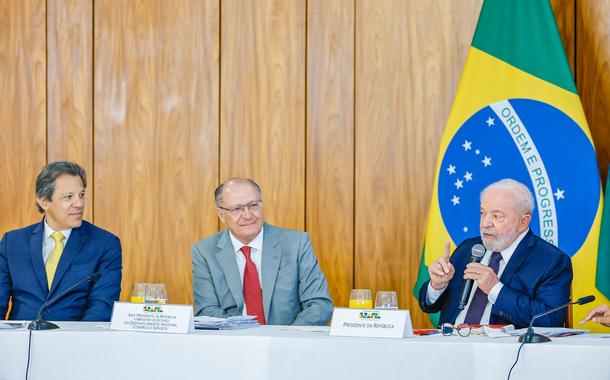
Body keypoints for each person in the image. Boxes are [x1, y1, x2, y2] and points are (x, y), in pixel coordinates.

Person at [418, 178, 573, 328]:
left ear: (523, 222)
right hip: (451, 345)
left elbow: (549, 320)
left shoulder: (552, 261)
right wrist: (438, 285)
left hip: (508, 351)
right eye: (482, 213)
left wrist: (495, 289)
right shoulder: (469, 248)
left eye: (496, 216)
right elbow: (430, 306)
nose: (485, 223)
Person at [192, 178, 333, 325]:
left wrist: (285, 340)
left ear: (261, 205)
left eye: (253, 205)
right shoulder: (204, 252)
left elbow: (319, 305)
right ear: (221, 214)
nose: (247, 215)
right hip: (233, 343)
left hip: (288, 342)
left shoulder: (296, 244)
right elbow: (207, 311)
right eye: (237, 209)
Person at [0, 161, 122, 321]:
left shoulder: (105, 244)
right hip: (21, 342)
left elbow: (102, 305)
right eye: (68, 197)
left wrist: (72, 343)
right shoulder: (12, 242)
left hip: (76, 342)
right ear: (44, 201)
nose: (79, 203)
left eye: (82, 195)